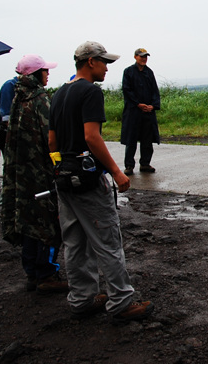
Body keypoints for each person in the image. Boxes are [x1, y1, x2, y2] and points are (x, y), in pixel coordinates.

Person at [48, 41, 154, 324]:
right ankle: (121, 302)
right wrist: (117, 172)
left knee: (74, 242)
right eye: (104, 62)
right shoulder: (91, 92)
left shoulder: (59, 94)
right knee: (108, 242)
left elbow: (51, 141)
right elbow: (92, 136)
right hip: (88, 179)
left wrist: (61, 166)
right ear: (90, 62)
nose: (107, 67)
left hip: (65, 179)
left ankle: (81, 299)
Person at [1, 54, 69, 294]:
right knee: (46, 224)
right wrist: (59, 166)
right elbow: (51, 138)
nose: (48, 74)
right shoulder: (39, 98)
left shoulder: (17, 96)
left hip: (21, 175)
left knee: (28, 221)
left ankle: (32, 271)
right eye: (45, 71)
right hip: (40, 173)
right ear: (35, 74)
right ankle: (46, 274)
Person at [120, 48, 161, 175]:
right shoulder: (128, 72)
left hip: (148, 112)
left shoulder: (149, 72)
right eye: (141, 56)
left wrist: (153, 106)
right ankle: (129, 165)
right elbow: (127, 90)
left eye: (145, 56)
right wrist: (138, 104)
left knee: (147, 139)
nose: (144, 59)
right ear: (135, 57)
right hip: (134, 111)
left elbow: (155, 91)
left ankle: (145, 164)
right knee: (131, 139)